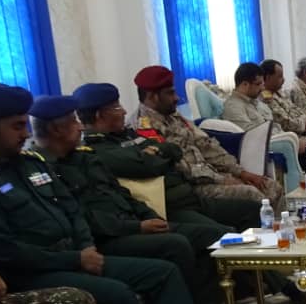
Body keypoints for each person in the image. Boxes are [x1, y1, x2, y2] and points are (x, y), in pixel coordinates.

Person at [0, 83, 227, 304]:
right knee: (117, 292)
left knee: (160, 272)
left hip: (76, 255)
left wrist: (86, 246)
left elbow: (71, 208)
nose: (25, 133)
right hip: (33, 272)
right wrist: (75, 259)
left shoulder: (28, 161)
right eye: (17, 126)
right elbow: (6, 253)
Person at [30, 95, 227, 304]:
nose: (80, 126)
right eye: (73, 121)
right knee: (175, 245)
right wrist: (137, 227)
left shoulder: (84, 156)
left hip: (132, 222)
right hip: (108, 237)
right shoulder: (43, 169)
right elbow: (84, 218)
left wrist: (149, 215)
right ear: (56, 130)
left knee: (210, 235)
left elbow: (121, 193)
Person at [75, 82, 260, 232]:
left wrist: (156, 152)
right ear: (99, 115)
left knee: (253, 210)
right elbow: (149, 165)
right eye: (116, 107)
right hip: (168, 207)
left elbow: (173, 149)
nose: (124, 111)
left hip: (189, 197)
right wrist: (157, 153)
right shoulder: (98, 149)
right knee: (223, 234)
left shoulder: (126, 134)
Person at [130, 65, 284, 213]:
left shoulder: (173, 116)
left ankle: (281, 229)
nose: (176, 98)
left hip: (213, 175)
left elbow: (207, 146)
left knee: (271, 187)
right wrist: (221, 180)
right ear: (152, 97)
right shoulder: (142, 127)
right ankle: (267, 230)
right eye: (170, 93)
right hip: (192, 186)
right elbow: (178, 168)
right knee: (252, 195)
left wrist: (241, 173)